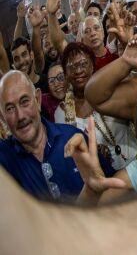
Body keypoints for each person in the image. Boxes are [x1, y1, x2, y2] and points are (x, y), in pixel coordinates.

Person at [0, 70, 113, 202]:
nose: (20, 116)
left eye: (24, 101)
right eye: (10, 108)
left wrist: (98, 192)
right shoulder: (4, 158)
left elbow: (111, 187)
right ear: (2, 116)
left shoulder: (73, 138)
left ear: (37, 99)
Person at [54, 43, 137, 171]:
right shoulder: (61, 113)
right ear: (65, 74)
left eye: (83, 63)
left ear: (93, 65)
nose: (78, 71)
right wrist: (92, 153)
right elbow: (69, 154)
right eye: (72, 66)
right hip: (103, 179)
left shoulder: (112, 90)